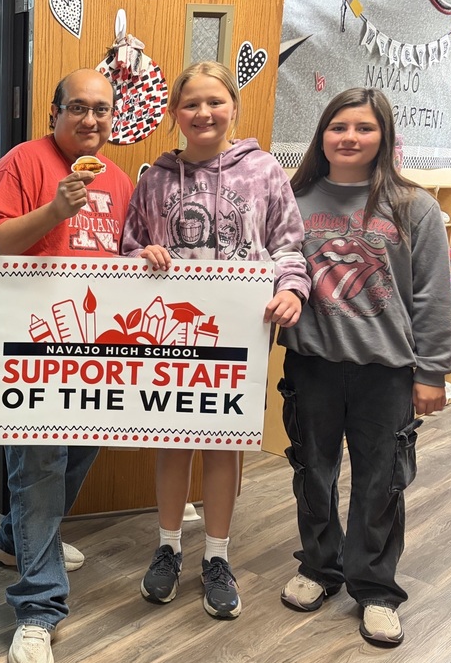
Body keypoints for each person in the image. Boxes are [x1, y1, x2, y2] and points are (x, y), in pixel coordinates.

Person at [122, 60, 310, 620]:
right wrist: (141, 257)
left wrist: (292, 291)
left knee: (224, 444)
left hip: (240, 334)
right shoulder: (153, 180)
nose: (203, 113)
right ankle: (169, 545)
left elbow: (289, 245)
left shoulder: (265, 172)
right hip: (170, 333)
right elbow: (128, 246)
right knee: (174, 441)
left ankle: (218, 556)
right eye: (191, 104)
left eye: (215, 101)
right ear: (174, 113)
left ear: (233, 106)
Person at [0, 67, 133, 663]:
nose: (91, 120)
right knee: (37, 464)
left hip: (95, 349)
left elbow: (121, 255)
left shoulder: (117, 179)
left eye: (102, 110)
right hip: (32, 348)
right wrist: (54, 208)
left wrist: (148, 257)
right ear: (54, 114)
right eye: (78, 109)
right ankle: (38, 610)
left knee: (81, 450)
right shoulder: (23, 163)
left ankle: (16, 540)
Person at [277, 87, 451, 646]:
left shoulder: (413, 205)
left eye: (364, 128)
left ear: (383, 137)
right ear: (322, 135)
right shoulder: (292, 198)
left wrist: (433, 371)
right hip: (312, 365)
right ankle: (319, 568)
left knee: (382, 483)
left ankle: (375, 588)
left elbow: (431, 295)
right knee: (313, 472)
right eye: (338, 127)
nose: (350, 138)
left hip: (387, 371)